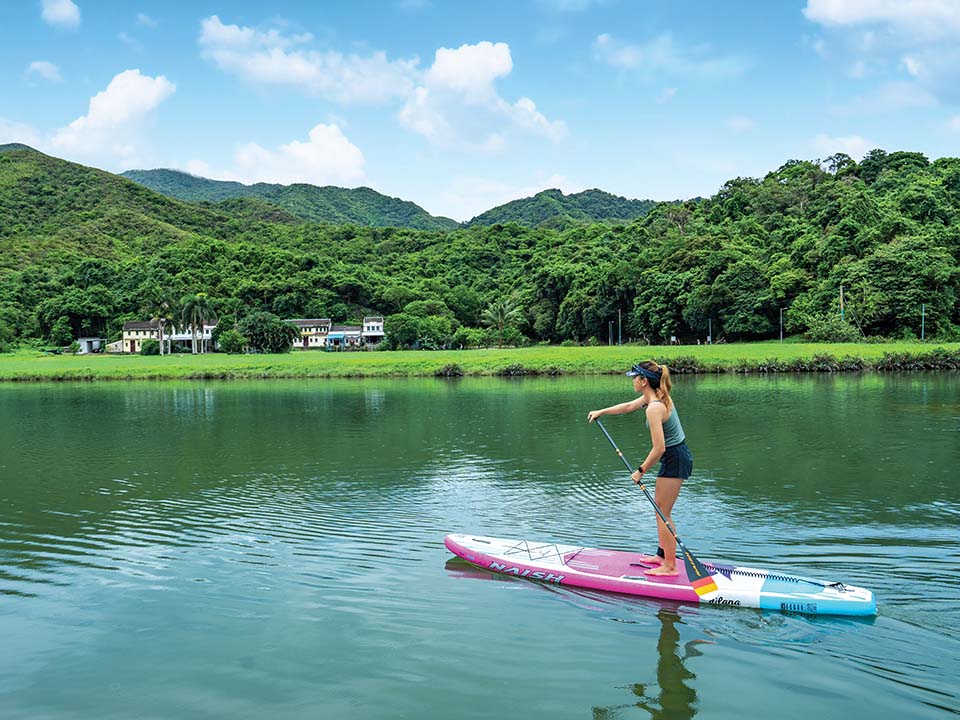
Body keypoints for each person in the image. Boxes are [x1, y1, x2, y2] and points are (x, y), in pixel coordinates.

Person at [587, 360, 694, 577]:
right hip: (675, 456)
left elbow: (659, 448)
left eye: (634, 377)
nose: (632, 381)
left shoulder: (654, 408)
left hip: (675, 458)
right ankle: (662, 556)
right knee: (660, 510)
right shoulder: (654, 397)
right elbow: (627, 407)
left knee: (664, 513)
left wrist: (640, 470)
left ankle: (671, 567)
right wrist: (602, 411)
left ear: (644, 381)